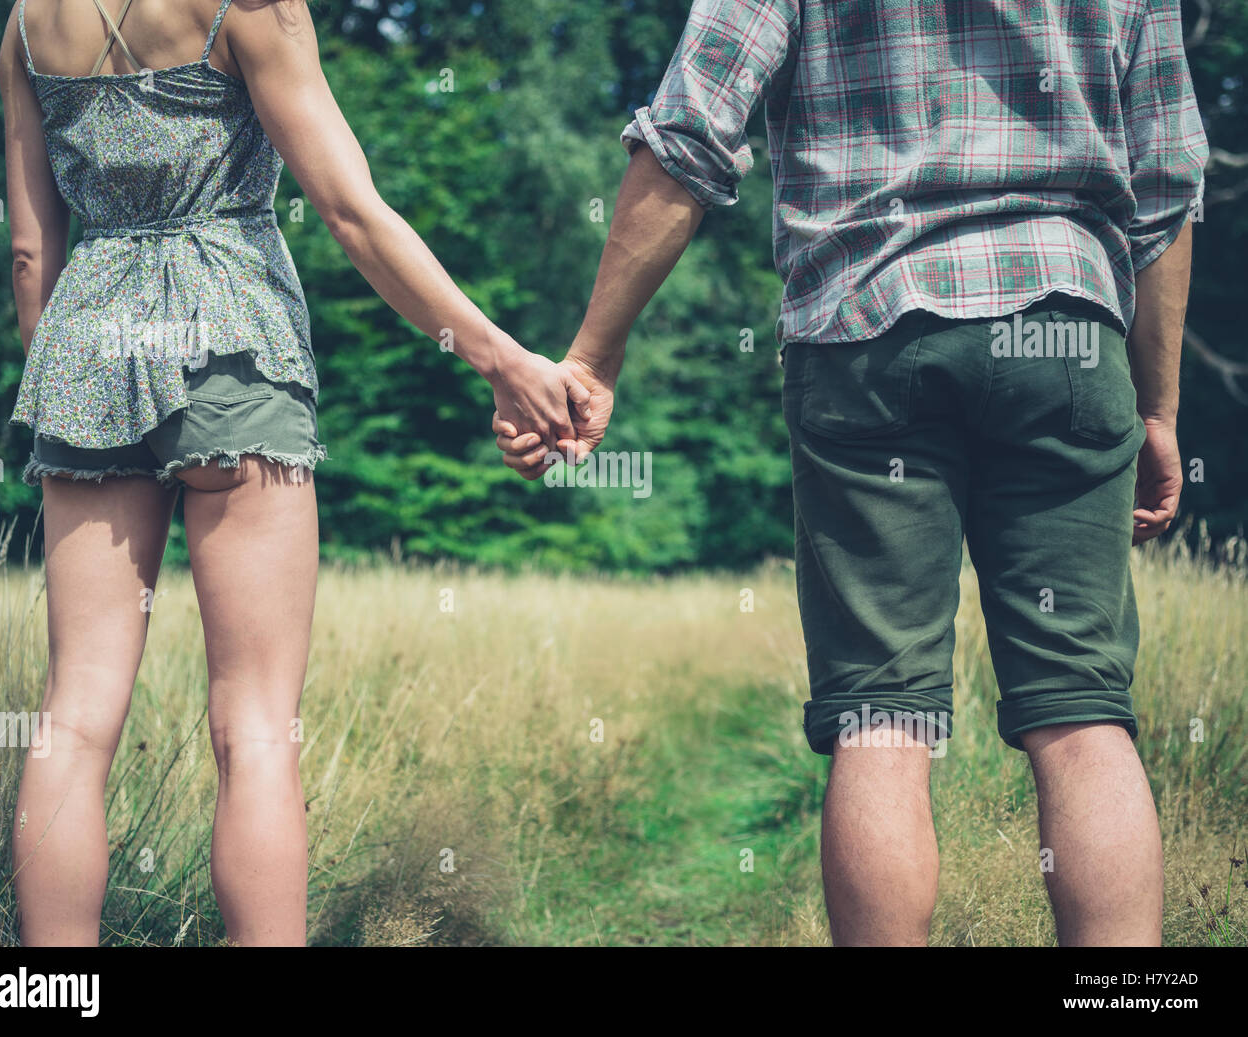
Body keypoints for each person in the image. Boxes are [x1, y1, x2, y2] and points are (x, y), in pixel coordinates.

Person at [494, 0, 1207, 946]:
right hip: (1067, 329)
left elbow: (689, 130)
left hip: (869, 332)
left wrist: (591, 355)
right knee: (1080, 712)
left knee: (882, 716)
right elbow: (1166, 179)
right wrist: (1158, 407)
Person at [0, 0, 587, 946]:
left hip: (86, 345)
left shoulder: (27, 22)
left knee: (73, 719)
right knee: (257, 725)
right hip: (230, 343)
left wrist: (68, 388)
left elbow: (32, 250)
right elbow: (352, 213)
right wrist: (502, 360)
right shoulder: (249, 9)